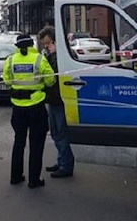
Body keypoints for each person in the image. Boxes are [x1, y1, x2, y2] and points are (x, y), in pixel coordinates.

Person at [3, 34, 55, 189]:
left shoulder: (11, 60)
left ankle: (16, 176)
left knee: (19, 141)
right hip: (36, 106)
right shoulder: (39, 59)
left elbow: (6, 80)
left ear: (17, 46)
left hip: (18, 107)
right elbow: (50, 80)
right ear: (32, 44)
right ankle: (34, 180)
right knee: (36, 143)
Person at [38, 26, 75, 178]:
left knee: (61, 134)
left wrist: (53, 55)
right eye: (44, 44)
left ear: (54, 41)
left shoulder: (63, 55)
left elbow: (54, 73)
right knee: (55, 133)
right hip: (52, 100)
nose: (46, 47)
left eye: (48, 43)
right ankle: (61, 161)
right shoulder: (48, 54)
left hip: (61, 100)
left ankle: (66, 166)